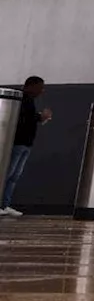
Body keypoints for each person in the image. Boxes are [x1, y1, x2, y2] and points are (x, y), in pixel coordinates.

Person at [3, 76, 51, 217]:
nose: (42, 91)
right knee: (7, 174)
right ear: (30, 86)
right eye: (40, 87)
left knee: (14, 176)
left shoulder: (29, 101)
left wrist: (39, 117)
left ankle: (4, 204)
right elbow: (23, 118)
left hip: (26, 143)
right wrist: (40, 117)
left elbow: (29, 118)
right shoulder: (21, 99)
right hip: (17, 142)